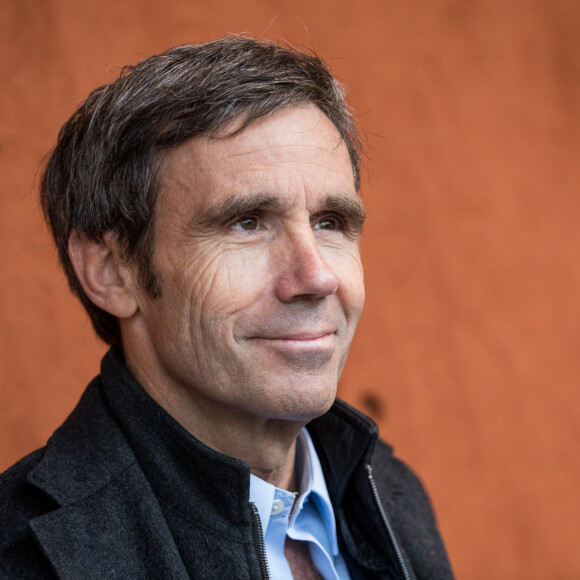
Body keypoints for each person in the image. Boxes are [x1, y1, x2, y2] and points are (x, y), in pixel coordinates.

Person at [0, 37, 454, 579]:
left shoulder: (392, 495)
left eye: (330, 222)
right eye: (247, 222)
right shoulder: (24, 555)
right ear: (112, 271)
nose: (316, 277)